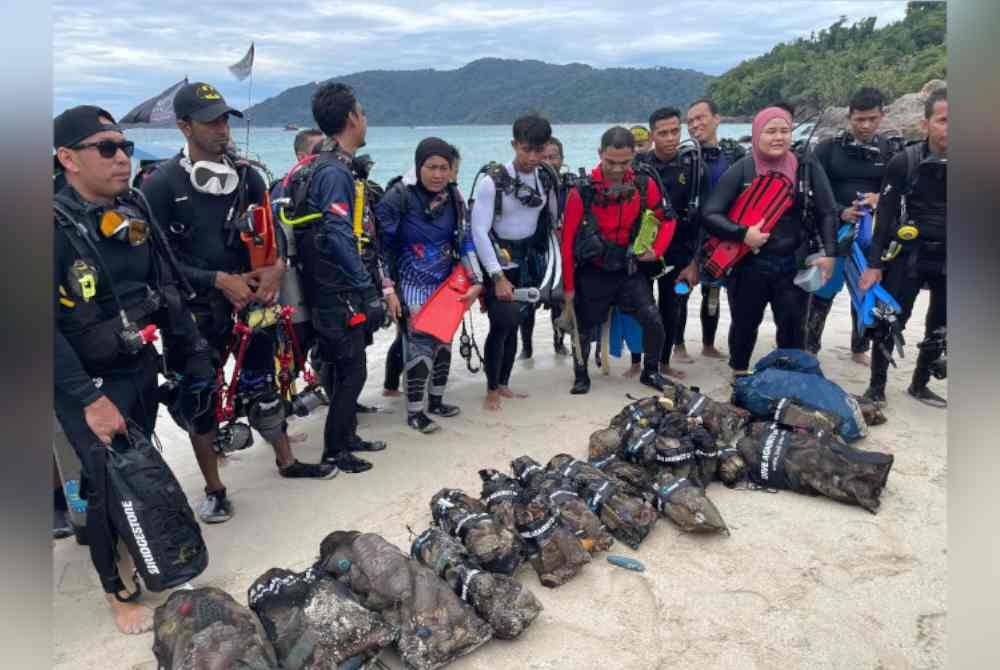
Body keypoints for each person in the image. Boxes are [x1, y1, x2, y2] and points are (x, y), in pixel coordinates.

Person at [142, 82, 335, 526]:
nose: (222, 129)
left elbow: (273, 234)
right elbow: (155, 260)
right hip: (194, 312)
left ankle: (286, 460)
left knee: (263, 384)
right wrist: (217, 280)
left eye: (225, 120)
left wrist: (277, 269)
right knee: (200, 399)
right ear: (184, 126)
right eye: (210, 122)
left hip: (252, 301)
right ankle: (214, 489)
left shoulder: (250, 178)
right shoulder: (162, 185)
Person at [53, 105, 215, 633]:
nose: (122, 157)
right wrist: (88, 399)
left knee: (136, 470)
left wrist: (191, 351)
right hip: (84, 378)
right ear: (67, 158)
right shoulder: (49, 226)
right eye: (106, 148)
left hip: (137, 361)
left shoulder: (133, 206)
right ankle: (116, 590)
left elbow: (164, 285)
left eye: (124, 147)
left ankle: (141, 554)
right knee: (104, 481)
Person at [290, 82, 397, 468]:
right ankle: (335, 449)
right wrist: (366, 290)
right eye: (362, 113)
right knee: (352, 370)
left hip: (326, 286)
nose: (365, 119)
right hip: (336, 290)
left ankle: (347, 435)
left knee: (344, 366)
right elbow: (338, 235)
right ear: (352, 118)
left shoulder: (324, 165)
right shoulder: (334, 172)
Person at [700, 105, 837, 377]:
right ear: (756, 134)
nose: (778, 137)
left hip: (793, 263)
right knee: (744, 325)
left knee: (793, 327)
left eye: (784, 131)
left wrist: (830, 253)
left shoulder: (805, 168)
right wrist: (742, 233)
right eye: (770, 131)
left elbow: (827, 211)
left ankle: (787, 378)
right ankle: (739, 374)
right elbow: (710, 213)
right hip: (749, 264)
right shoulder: (743, 169)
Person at [375, 138, 483, 432]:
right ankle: (414, 412)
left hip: (446, 285)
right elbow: (380, 247)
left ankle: (436, 401)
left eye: (444, 168)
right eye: (431, 167)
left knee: (444, 344)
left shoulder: (455, 197)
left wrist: (476, 280)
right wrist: (388, 290)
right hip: (411, 282)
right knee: (420, 347)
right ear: (418, 165)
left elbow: (466, 241)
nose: (438, 174)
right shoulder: (399, 196)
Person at [561, 126, 678, 394]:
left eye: (624, 162)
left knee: (653, 320)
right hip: (594, 270)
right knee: (582, 327)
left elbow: (668, 219)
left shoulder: (643, 184)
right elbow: (567, 244)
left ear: (634, 155)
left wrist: (657, 249)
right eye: (610, 162)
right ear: (600, 154)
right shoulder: (582, 192)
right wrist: (568, 288)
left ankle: (650, 372)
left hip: (628, 270)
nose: (616, 169)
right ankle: (581, 375)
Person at [860, 88, 947, 407]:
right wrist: (874, 264)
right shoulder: (904, 162)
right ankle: (876, 388)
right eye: (943, 120)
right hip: (908, 254)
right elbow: (884, 216)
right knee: (890, 320)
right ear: (925, 124)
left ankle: (920, 384)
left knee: (942, 324)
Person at [470, 114, 560, 411]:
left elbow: (552, 222)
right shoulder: (492, 182)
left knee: (516, 322)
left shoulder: (546, 178)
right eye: (526, 150)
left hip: (528, 261)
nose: (532, 157)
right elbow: (479, 231)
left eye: (539, 150)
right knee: (502, 323)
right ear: (514, 145)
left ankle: (504, 383)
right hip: (498, 260)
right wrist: (496, 277)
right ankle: (491, 389)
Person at [808, 87, 903, 365]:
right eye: (859, 119)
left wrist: (880, 199)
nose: (865, 125)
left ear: (882, 115)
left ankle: (859, 348)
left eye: (872, 119)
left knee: (864, 288)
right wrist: (841, 211)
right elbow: (812, 190)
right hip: (835, 231)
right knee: (824, 289)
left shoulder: (892, 152)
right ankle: (810, 347)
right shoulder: (828, 149)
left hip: (872, 234)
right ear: (849, 117)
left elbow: (903, 192)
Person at [633, 107, 708, 379]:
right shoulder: (639, 166)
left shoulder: (694, 167)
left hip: (679, 252)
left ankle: (662, 363)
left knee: (672, 306)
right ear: (652, 135)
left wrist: (695, 262)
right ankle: (638, 361)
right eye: (663, 133)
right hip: (644, 250)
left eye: (675, 131)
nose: (670, 138)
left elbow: (704, 218)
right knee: (642, 307)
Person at [677, 98, 746, 361]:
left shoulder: (733, 155)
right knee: (682, 289)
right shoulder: (685, 157)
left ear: (717, 119)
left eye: (700, 118)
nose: (695, 124)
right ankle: (678, 345)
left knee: (713, 291)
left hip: (723, 233)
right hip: (691, 232)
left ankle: (708, 344)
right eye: (690, 121)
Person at [519, 136, 570, 358]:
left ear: (562, 159)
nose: (548, 161)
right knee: (528, 299)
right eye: (544, 156)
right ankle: (526, 348)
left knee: (558, 299)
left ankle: (559, 343)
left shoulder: (569, 185)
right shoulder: (525, 185)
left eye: (553, 157)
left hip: (559, 248)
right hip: (531, 249)